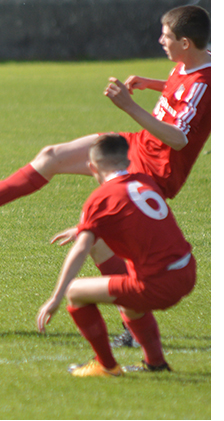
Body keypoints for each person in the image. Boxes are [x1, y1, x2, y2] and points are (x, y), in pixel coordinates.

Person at [0, 4, 210, 346]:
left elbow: (179, 138)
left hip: (153, 170)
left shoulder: (203, 84)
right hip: (137, 146)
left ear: (186, 44)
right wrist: (153, 84)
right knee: (51, 156)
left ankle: (134, 328)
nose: (160, 40)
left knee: (101, 242)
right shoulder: (197, 62)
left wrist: (130, 106)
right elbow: (182, 90)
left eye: (167, 36)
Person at [36, 134, 196, 377]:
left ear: (92, 168)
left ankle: (106, 366)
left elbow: (80, 249)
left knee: (75, 292)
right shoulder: (144, 180)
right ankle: (156, 364)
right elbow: (135, 216)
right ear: (128, 161)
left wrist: (56, 297)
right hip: (187, 271)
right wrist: (83, 229)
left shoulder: (100, 199)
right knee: (127, 295)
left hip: (159, 285)